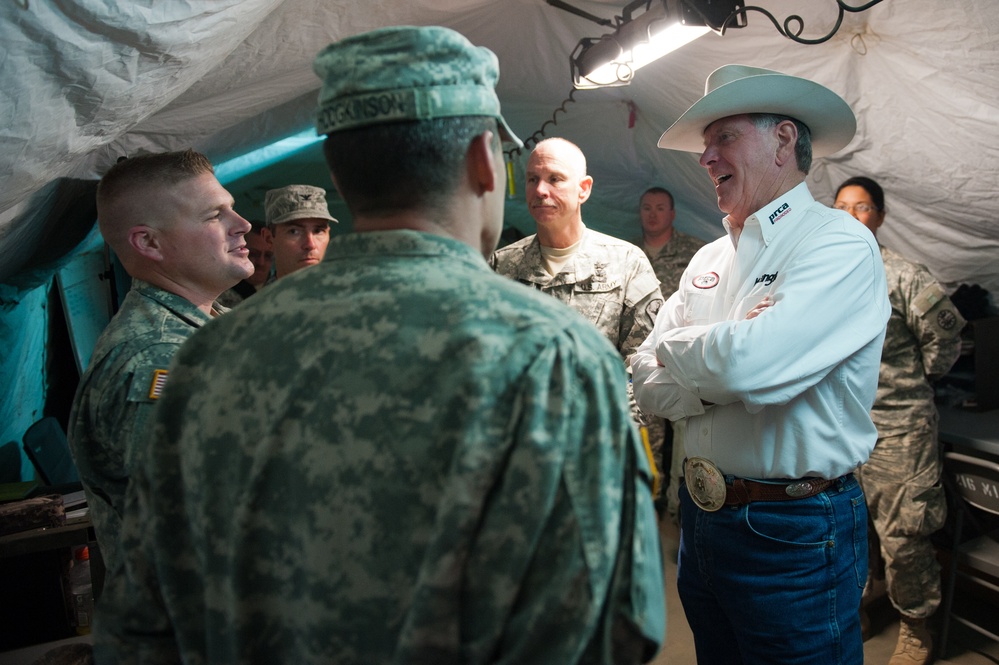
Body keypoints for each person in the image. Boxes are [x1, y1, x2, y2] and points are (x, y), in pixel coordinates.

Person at [95, 25, 665, 664]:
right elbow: (615, 627)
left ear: (340, 172)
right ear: (485, 159)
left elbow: (141, 623)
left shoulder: (209, 355)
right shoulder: (553, 355)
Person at [631, 64, 890, 664]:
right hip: (702, 524)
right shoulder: (708, 257)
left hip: (796, 532)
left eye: (724, 137)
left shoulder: (839, 243)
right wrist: (723, 353)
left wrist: (689, 349)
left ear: (781, 141)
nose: (706, 157)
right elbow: (644, 379)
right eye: (705, 144)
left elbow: (747, 367)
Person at [68, 149, 253, 578]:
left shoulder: (207, 325)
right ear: (148, 242)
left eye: (232, 208)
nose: (242, 224)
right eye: (214, 216)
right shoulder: (157, 359)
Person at [835, 175, 965, 665]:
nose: (851, 216)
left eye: (862, 207)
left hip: (898, 430)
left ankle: (915, 627)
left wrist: (917, 382)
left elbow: (947, 337)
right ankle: (862, 607)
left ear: (880, 216)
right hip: (844, 427)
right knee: (850, 529)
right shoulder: (823, 273)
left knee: (904, 536)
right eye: (842, 206)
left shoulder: (904, 274)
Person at [490, 137, 665, 474]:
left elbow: (646, 362)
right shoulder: (503, 264)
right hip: (522, 455)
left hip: (599, 453)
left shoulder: (625, 262)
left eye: (555, 179)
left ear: (583, 189)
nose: (540, 190)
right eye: (532, 179)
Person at [632, 186, 708, 520]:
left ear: (672, 213)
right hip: (641, 359)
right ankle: (650, 504)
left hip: (683, 362)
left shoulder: (696, 254)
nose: (653, 214)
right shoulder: (630, 256)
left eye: (660, 208)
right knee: (648, 435)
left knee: (687, 441)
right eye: (647, 208)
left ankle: (684, 507)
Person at [260, 183, 336, 279]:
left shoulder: (352, 291)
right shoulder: (264, 294)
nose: (310, 244)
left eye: (318, 231)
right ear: (269, 239)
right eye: (294, 231)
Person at [216, 221, 273, 306]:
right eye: (254, 254)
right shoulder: (219, 292)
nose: (261, 262)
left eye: (268, 255)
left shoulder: (282, 290)